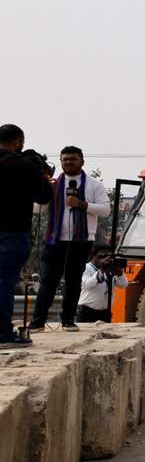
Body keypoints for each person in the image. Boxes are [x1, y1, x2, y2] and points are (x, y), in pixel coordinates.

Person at [29, 146, 110, 333]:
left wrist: (81, 204)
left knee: (73, 281)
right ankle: (38, 322)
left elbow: (105, 209)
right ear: (60, 162)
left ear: (82, 161)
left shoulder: (93, 184)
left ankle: (68, 321)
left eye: (73, 159)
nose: (68, 162)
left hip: (81, 240)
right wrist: (41, 189)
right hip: (55, 239)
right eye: (65, 159)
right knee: (49, 280)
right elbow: (38, 210)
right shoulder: (53, 184)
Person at [0, 125, 53, 348]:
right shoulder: (24, 165)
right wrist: (42, 175)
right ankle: (3, 334)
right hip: (12, 232)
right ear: (18, 140)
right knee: (4, 282)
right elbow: (43, 197)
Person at [76, 244, 127, 323]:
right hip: (87, 312)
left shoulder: (111, 268)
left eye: (108, 256)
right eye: (102, 256)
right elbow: (86, 285)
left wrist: (119, 274)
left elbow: (123, 285)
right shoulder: (86, 268)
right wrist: (102, 270)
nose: (105, 259)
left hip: (105, 313)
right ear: (94, 256)